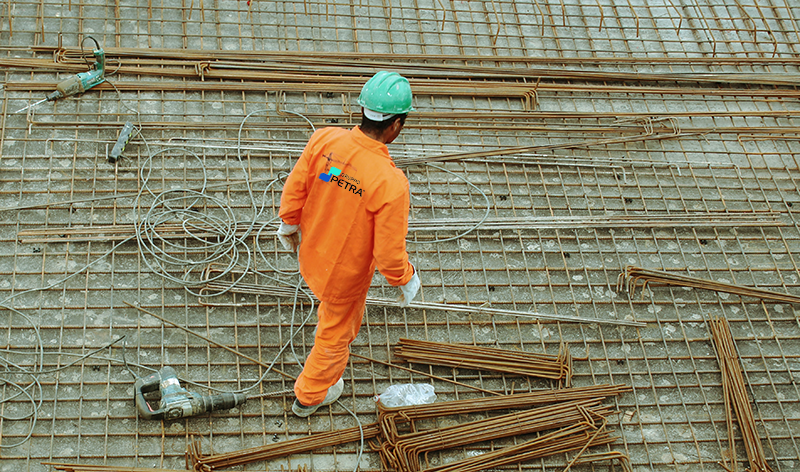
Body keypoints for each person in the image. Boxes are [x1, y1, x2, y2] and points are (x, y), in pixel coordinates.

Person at [276, 71, 421, 417]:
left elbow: (299, 186)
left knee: (329, 316)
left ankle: (315, 387)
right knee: (335, 335)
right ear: (396, 126)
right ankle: (309, 396)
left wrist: (288, 223)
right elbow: (388, 255)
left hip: (311, 253)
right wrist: (406, 277)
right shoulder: (390, 183)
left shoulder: (325, 141)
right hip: (343, 276)